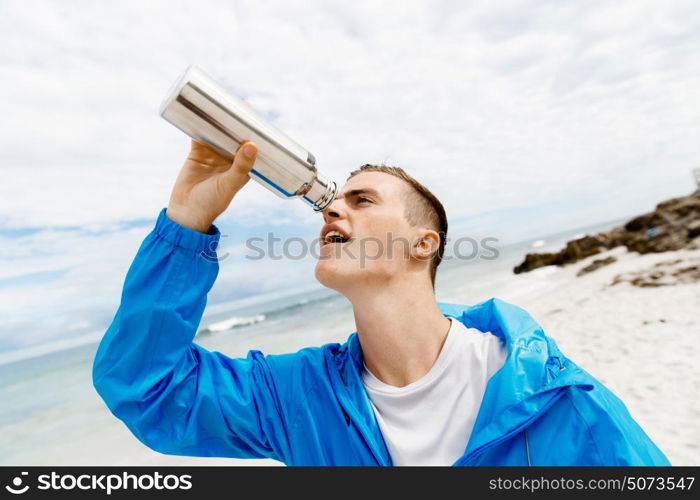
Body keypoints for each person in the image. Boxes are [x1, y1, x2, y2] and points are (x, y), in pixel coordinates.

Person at [92, 139, 671, 466]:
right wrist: (187, 222)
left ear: (425, 244)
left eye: (362, 199)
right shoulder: (298, 397)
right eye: (333, 201)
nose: (331, 210)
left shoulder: (558, 402)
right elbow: (148, 389)